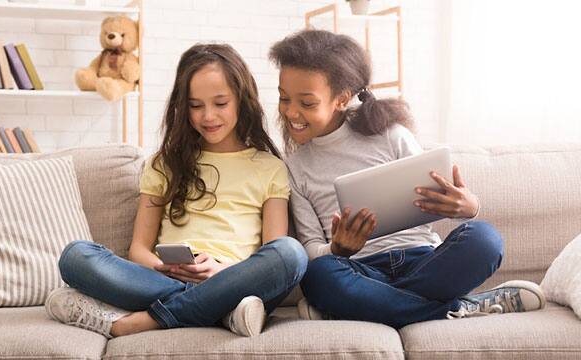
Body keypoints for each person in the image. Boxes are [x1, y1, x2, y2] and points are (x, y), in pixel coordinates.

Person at [268, 29, 545, 328]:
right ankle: (462, 308)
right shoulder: (295, 167)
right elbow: (311, 249)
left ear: (341, 99)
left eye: (306, 103)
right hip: (359, 271)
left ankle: (364, 307)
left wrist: (468, 207)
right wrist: (338, 249)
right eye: (284, 98)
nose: (290, 111)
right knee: (319, 277)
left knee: (485, 239)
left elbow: (440, 198)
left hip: (424, 259)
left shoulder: (391, 136)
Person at [44, 43, 308, 338]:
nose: (208, 116)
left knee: (291, 254)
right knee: (75, 256)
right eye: (196, 105)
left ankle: (146, 320)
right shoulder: (164, 163)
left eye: (220, 103)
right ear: (183, 107)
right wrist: (163, 267)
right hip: (163, 279)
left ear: (241, 100)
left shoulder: (269, 167)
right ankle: (222, 312)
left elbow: (272, 251)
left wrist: (222, 272)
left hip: (233, 278)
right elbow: (138, 250)